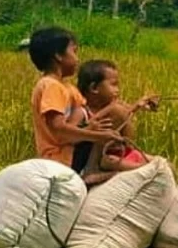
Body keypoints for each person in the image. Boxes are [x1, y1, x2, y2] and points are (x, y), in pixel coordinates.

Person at [28, 27, 121, 167]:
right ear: (58, 55)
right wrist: (98, 136)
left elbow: (90, 113)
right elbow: (59, 131)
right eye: (74, 51)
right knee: (117, 112)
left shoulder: (67, 87)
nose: (77, 58)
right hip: (61, 156)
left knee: (117, 111)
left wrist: (136, 106)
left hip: (74, 148)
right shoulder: (50, 86)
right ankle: (92, 170)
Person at [70, 59, 160, 187]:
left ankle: (121, 160)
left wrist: (138, 106)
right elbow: (68, 136)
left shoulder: (112, 108)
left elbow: (123, 116)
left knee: (160, 166)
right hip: (85, 162)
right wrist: (89, 129)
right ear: (94, 88)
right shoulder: (81, 112)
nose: (117, 90)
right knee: (117, 108)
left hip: (112, 156)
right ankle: (91, 170)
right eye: (113, 85)